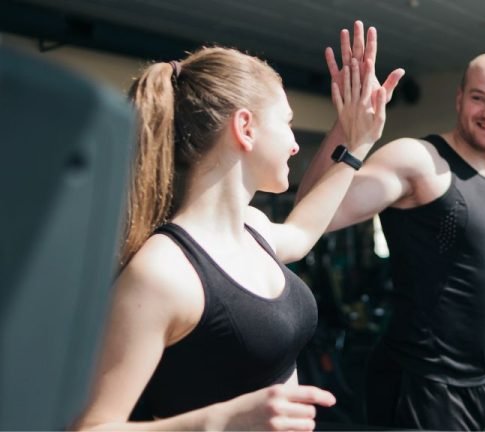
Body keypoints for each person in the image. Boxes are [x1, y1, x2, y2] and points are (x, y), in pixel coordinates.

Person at [73, 36, 399, 431]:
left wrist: (356, 139)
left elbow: (303, 230)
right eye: (288, 123)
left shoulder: (254, 228)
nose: (296, 146)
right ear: (245, 127)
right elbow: (90, 427)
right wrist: (223, 420)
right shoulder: (162, 273)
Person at [297, 29, 485, 430]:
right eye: (479, 97)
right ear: (460, 98)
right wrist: (350, 132)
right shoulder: (418, 161)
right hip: (421, 388)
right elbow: (313, 213)